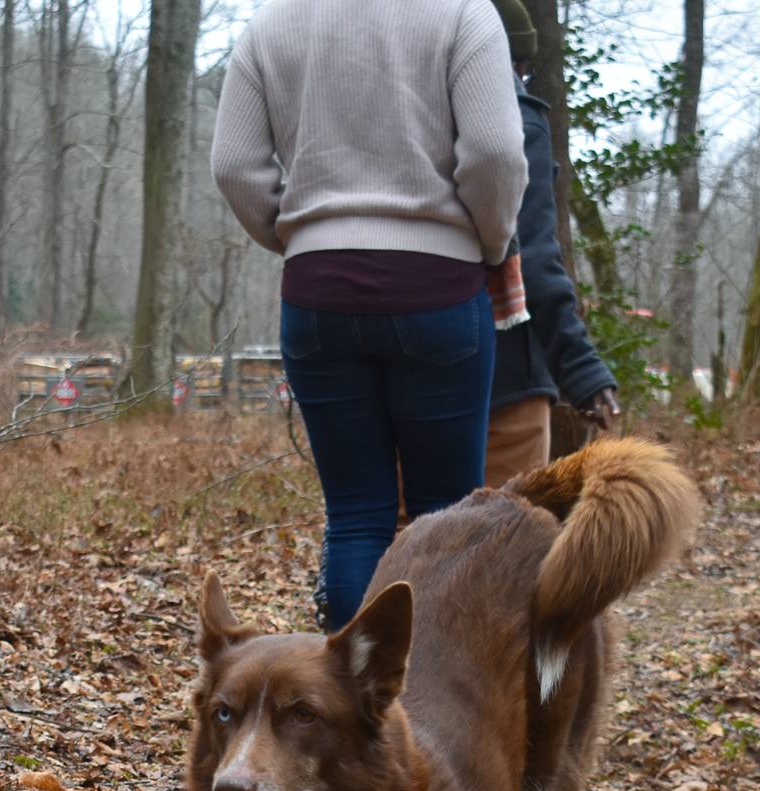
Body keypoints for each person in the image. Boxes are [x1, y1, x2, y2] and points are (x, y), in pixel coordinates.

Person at [211, 0, 527, 630]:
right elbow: (495, 152)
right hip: (440, 286)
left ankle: (353, 691)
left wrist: (304, 238)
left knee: (356, 515)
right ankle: (436, 690)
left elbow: (233, 166)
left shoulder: (271, 23)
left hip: (317, 292)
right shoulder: (463, 12)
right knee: (446, 515)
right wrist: (490, 243)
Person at [483, 0, 621, 489]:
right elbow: (534, 262)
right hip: (502, 371)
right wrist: (582, 370)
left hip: (392, 346)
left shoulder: (410, 115)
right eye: (523, 68)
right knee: (506, 522)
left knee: (396, 522)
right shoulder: (518, 122)